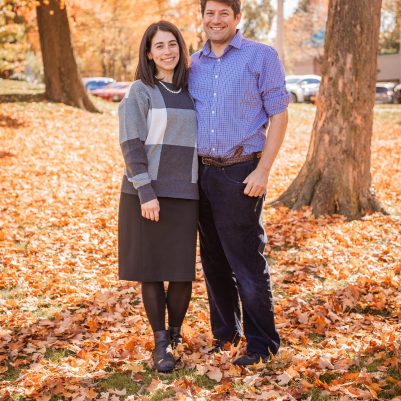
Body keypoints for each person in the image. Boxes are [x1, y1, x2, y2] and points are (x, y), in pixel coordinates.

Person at [189, 0, 290, 366]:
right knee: (213, 260)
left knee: (246, 261)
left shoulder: (261, 56)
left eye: (223, 14)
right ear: (202, 18)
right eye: (209, 14)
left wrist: (262, 171)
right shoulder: (193, 63)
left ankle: (263, 344)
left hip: (240, 171)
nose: (215, 20)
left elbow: (279, 116)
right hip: (200, 174)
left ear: (237, 18)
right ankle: (226, 335)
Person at [118, 21, 198, 372]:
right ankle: (160, 343)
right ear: (148, 54)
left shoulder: (194, 90)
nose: (167, 51)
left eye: (172, 44)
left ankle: (176, 334)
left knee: (181, 272)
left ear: (180, 48)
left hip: (187, 194)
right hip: (145, 193)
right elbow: (132, 144)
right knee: (151, 270)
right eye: (159, 46)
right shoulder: (140, 91)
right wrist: (146, 192)